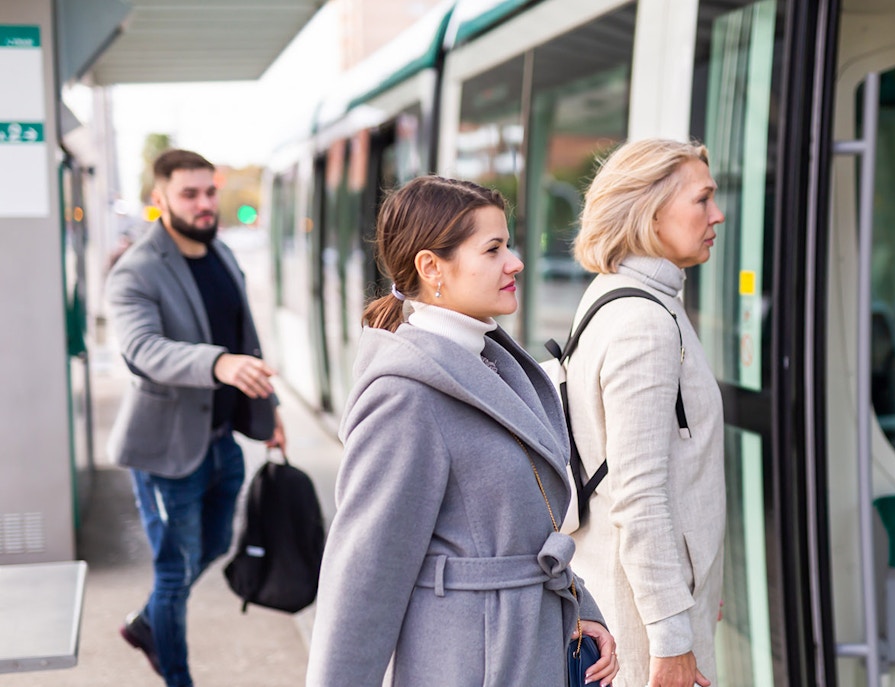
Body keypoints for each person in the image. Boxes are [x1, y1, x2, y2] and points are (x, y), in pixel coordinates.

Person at [305, 175, 619, 686]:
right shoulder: (405, 396)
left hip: (522, 644)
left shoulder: (491, 363)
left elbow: (525, 527)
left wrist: (578, 603)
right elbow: (362, 579)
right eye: (493, 249)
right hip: (472, 662)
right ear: (432, 268)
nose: (515, 262)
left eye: (508, 245)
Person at [105, 149, 285, 687]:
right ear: (159, 200)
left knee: (211, 548)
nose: (205, 204)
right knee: (170, 573)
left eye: (210, 192)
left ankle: (145, 624)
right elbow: (144, 349)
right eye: (190, 194)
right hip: (165, 450)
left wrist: (268, 410)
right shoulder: (135, 271)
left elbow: (244, 335)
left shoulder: (222, 253)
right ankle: (176, 674)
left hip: (221, 439)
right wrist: (219, 363)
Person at [566, 138, 727, 687]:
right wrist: (673, 640)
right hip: (646, 626)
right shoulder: (646, 323)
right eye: (702, 200)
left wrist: (703, 585)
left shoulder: (616, 295)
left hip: (648, 598)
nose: (717, 215)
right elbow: (639, 495)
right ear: (649, 211)